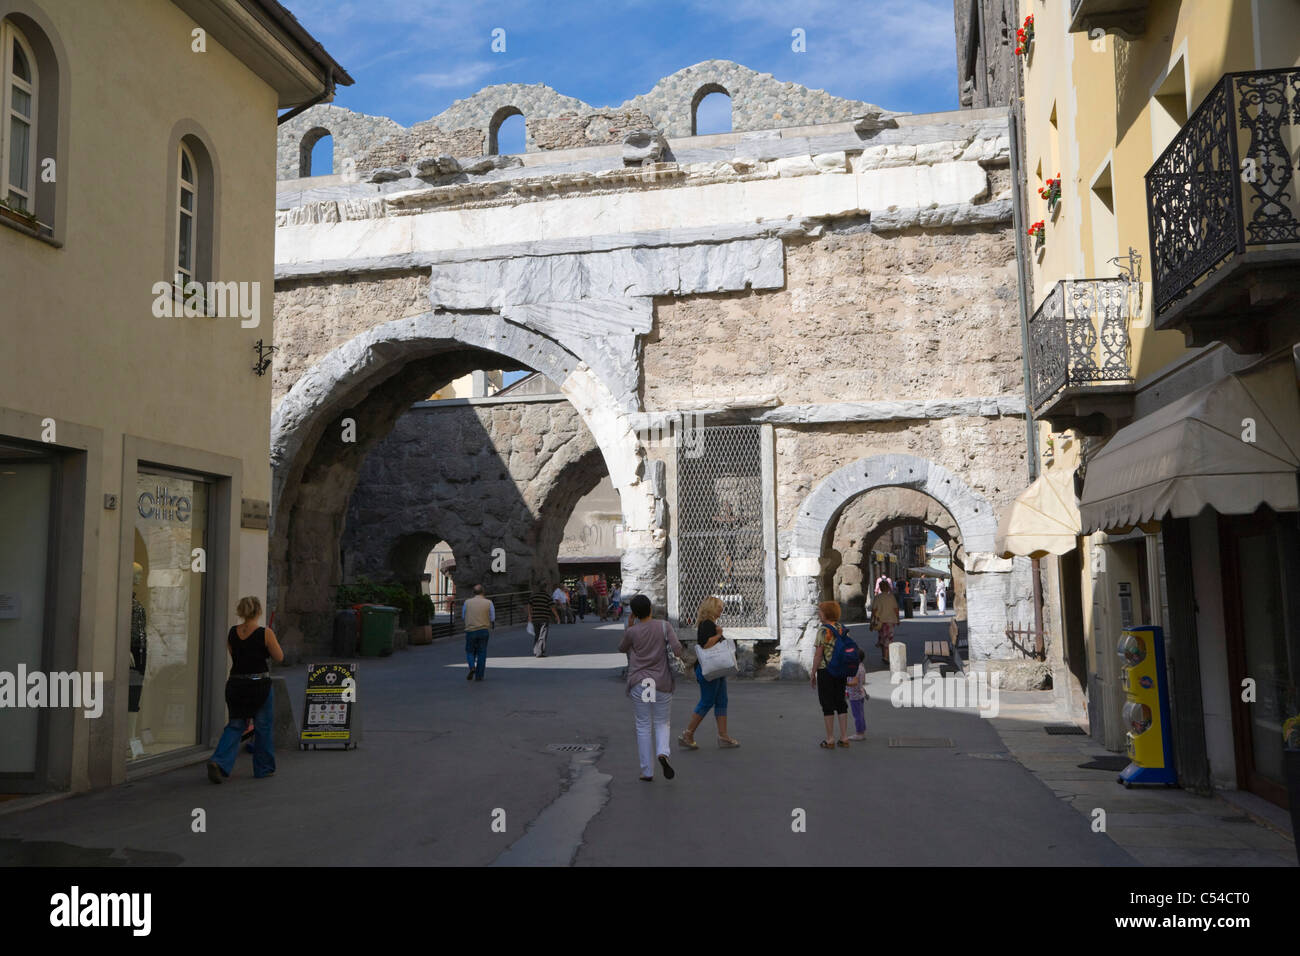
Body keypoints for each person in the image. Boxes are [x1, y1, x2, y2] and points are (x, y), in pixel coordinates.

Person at [207, 596, 284, 783]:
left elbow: (235, 656)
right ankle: (263, 768)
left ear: (241, 611)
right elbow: (279, 657)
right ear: (258, 611)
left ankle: (219, 761)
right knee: (263, 726)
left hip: (235, 684)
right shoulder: (265, 633)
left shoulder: (232, 633)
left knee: (235, 725)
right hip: (258, 685)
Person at [618, 594, 685, 782]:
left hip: (640, 682)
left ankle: (647, 771)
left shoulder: (632, 631)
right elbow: (677, 649)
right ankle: (663, 752)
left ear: (634, 613)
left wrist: (630, 628)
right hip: (661, 681)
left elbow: (621, 648)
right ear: (651, 609)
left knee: (643, 725)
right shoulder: (664, 626)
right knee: (662, 722)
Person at [678, 596, 739, 750]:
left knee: (721, 700)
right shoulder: (707, 624)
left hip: (716, 670)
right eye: (719, 607)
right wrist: (719, 635)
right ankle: (687, 733)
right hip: (709, 669)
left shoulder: (710, 624)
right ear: (711, 608)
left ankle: (723, 736)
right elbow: (705, 645)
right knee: (707, 701)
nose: (722, 609)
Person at [810, 601, 852, 749]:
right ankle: (845, 737)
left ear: (826, 614)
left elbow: (818, 655)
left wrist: (813, 672)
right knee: (841, 702)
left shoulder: (822, 631)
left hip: (826, 671)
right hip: (840, 670)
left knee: (827, 704)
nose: (819, 614)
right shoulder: (843, 628)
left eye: (820, 611)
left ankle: (830, 739)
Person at [462, 584, 495, 681]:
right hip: (483, 630)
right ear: (483, 592)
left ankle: (472, 666)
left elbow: (463, 616)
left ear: (473, 592)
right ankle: (479, 675)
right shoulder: (489, 602)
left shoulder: (467, 602)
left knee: (469, 651)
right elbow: (492, 617)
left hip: (470, 630)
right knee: (482, 652)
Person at [870, 584, 900, 664]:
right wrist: (898, 619)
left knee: (882, 638)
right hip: (890, 621)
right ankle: (886, 657)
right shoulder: (891, 597)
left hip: (880, 621)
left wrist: (871, 621)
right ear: (888, 588)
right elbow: (896, 609)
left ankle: (884, 655)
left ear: (881, 588)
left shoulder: (878, 597)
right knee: (888, 639)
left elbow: (874, 610)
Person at [527, 582, 558, 657]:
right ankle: (539, 652)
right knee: (543, 635)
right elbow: (552, 607)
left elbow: (529, 605)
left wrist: (530, 615)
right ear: (545, 588)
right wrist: (557, 616)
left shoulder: (534, 596)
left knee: (537, 635)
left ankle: (535, 650)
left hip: (535, 618)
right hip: (544, 618)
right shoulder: (547, 596)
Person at [846, 655, 868, 740]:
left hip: (855, 695)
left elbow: (854, 682)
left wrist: (845, 683)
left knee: (857, 715)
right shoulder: (861, 666)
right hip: (860, 693)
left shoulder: (855, 669)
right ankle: (862, 730)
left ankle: (859, 733)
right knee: (860, 713)